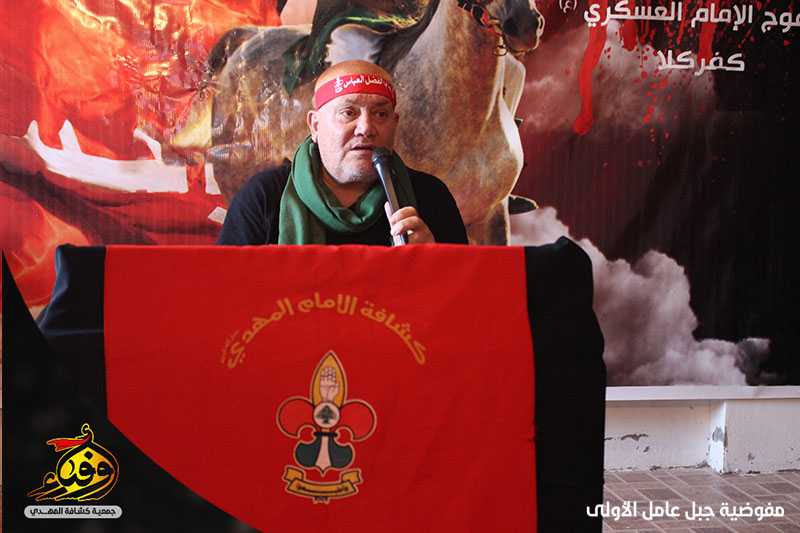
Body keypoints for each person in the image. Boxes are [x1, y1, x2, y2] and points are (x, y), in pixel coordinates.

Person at [217, 60, 468, 245]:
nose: (366, 128)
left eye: (380, 114)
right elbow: (228, 292)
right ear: (315, 125)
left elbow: (463, 295)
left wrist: (435, 260)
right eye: (348, 113)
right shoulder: (265, 196)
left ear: (394, 124)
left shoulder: (430, 196)